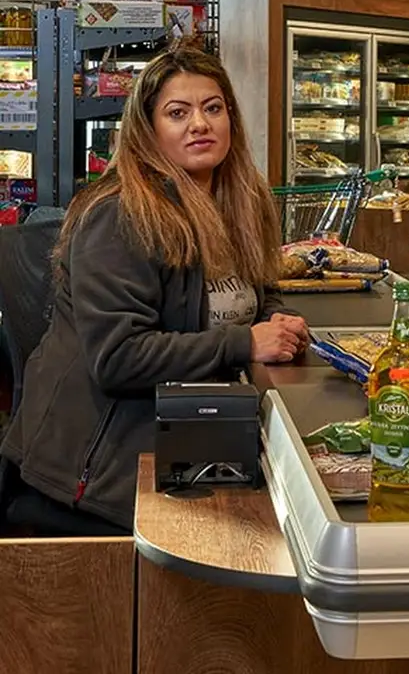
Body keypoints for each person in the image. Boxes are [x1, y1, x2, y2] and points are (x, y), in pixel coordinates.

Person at [0, 45, 309, 535]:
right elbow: (119, 357)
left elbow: (254, 289)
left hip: (188, 441)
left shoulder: (236, 202)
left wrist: (276, 316)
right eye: (177, 113)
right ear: (149, 131)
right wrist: (245, 342)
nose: (199, 125)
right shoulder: (121, 214)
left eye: (212, 108)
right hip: (94, 481)